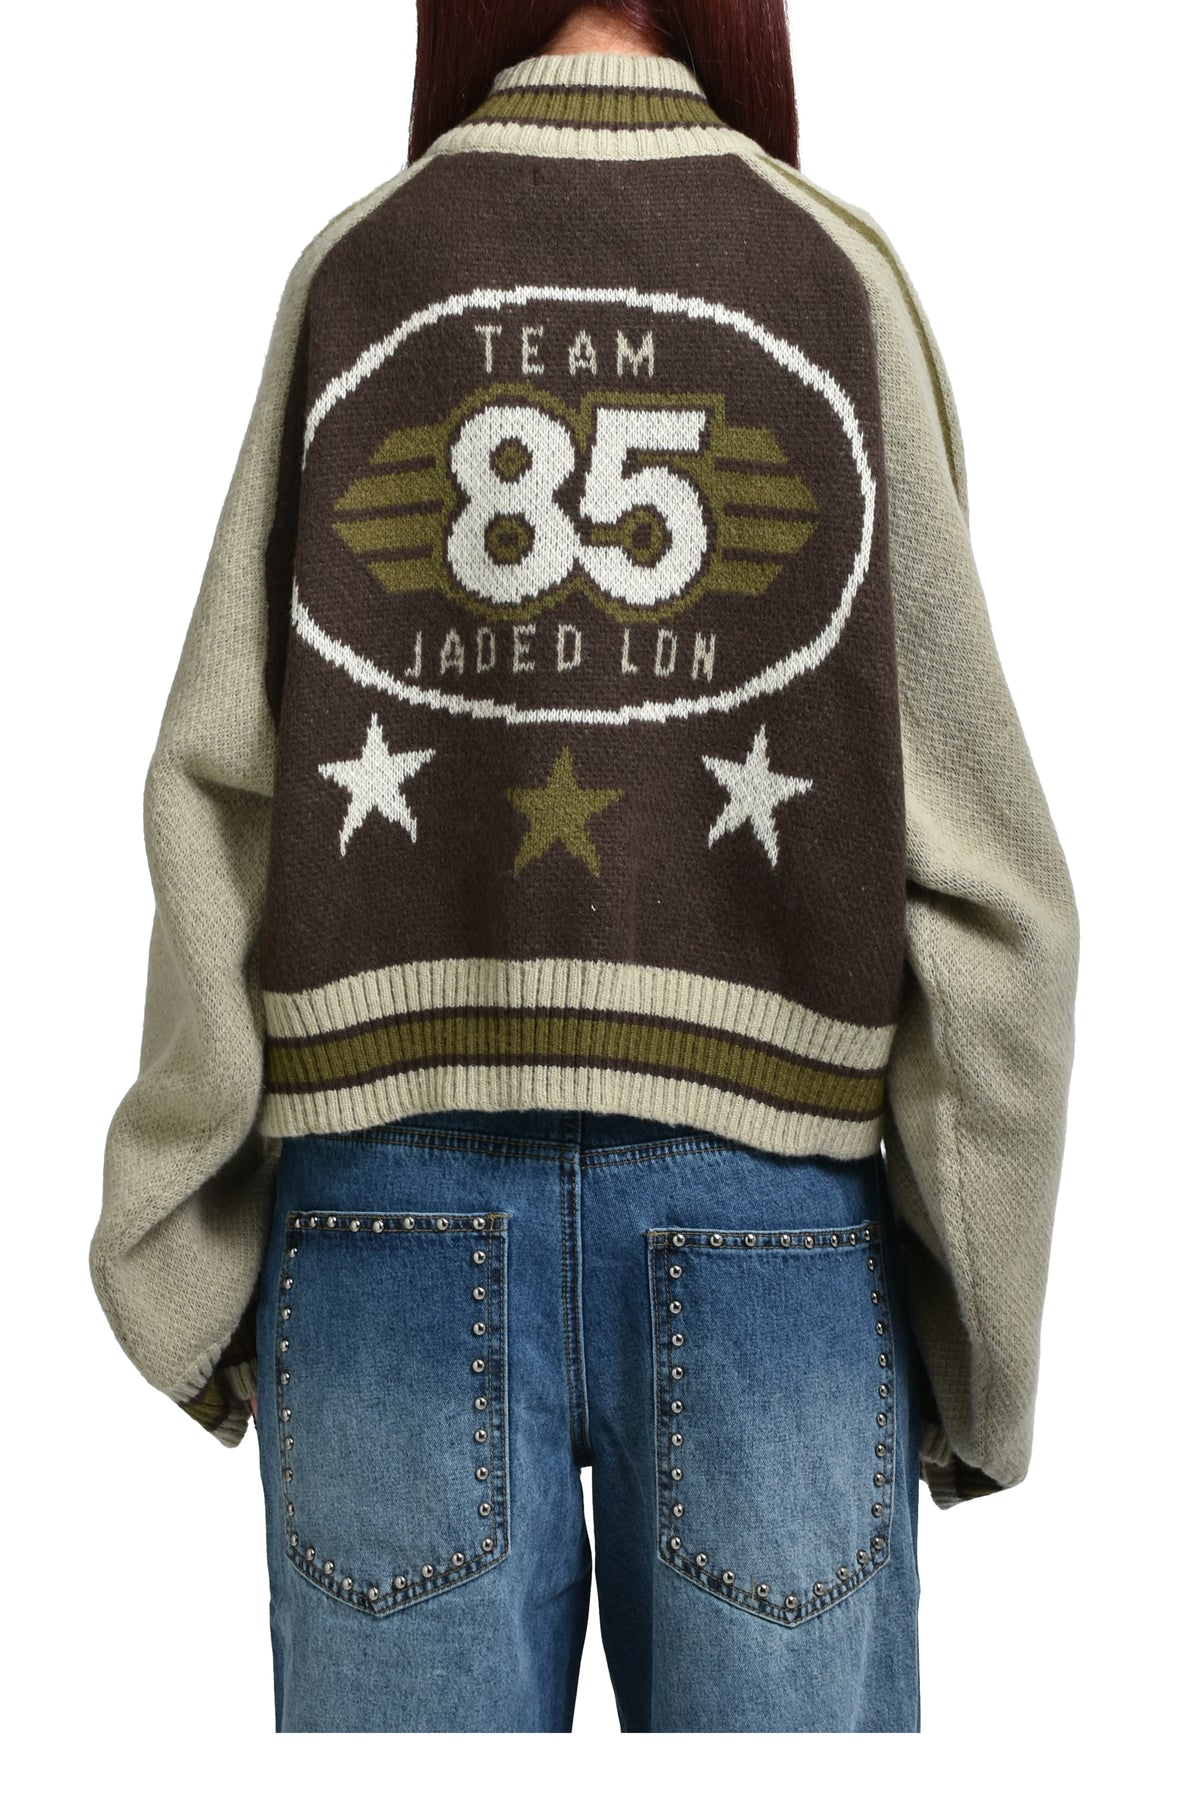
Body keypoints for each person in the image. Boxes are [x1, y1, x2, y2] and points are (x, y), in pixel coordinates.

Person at [90, 0, 1079, 1734]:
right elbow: (989, 886)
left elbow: (216, 795)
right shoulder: (830, 276)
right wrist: (981, 1345)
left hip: (382, 1215)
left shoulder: (362, 271)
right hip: (772, 1226)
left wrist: (176, 1248)